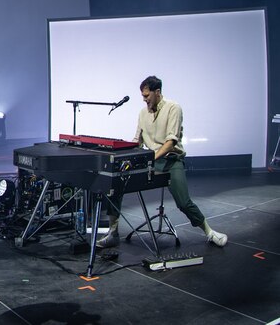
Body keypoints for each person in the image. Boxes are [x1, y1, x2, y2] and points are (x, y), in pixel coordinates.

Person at [96, 75, 228, 248]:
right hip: (150, 160)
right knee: (116, 184)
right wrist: (124, 150)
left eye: (146, 96)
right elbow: (138, 140)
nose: (144, 100)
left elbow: (170, 142)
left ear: (157, 92)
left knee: (183, 202)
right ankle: (113, 233)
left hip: (171, 160)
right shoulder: (143, 113)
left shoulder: (174, 108)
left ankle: (209, 232)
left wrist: (150, 158)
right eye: (142, 96)